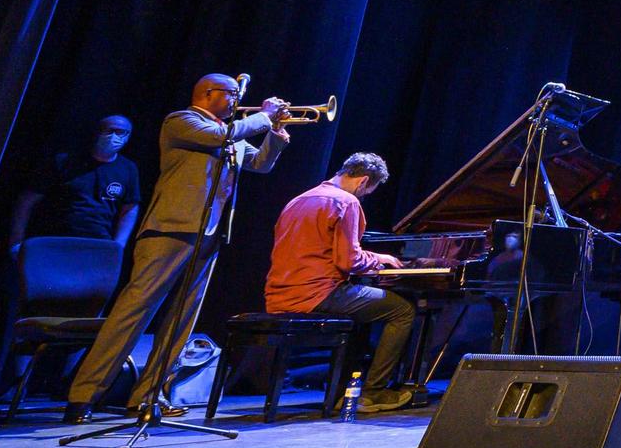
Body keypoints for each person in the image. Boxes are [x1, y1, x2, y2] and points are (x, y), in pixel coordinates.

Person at [64, 75, 290, 423]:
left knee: (182, 320)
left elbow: (260, 164)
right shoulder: (183, 121)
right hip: (170, 229)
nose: (234, 101)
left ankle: (149, 396)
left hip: (209, 234)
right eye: (231, 94)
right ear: (207, 94)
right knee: (135, 312)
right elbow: (221, 136)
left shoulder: (230, 134)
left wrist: (275, 134)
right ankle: (84, 395)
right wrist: (264, 115)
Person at [265, 152, 414, 414]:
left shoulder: (299, 199)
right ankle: (373, 392)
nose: (365, 196)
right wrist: (380, 258)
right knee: (402, 310)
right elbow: (349, 262)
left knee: (363, 305)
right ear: (363, 181)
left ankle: (343, 389)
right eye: (369, 190)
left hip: (279, 295)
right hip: (318, 294)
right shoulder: (347, 202)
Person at [8, 116, 140, 249]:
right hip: (55, 240)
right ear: (97, 131)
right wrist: (17, 241)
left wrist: (118, 245)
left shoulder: (128, 169)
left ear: (127, 136)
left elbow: (129, 209)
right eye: (109, 130)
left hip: (97, 245)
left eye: (120, 132)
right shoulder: (64, 162)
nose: (113, 136)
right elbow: (27, 200)